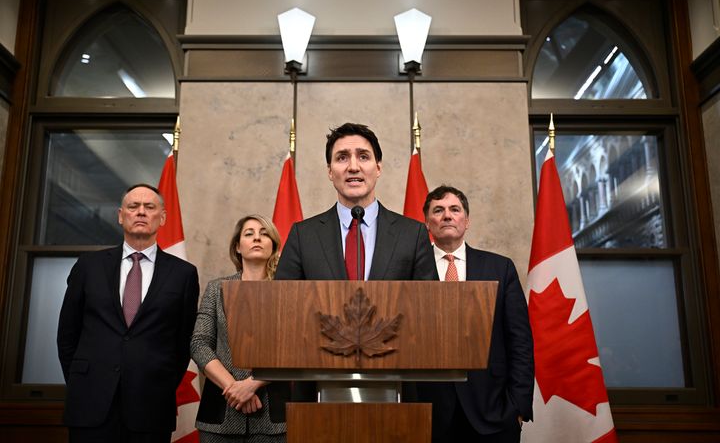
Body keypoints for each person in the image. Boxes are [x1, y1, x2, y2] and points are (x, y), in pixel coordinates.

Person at [57, 183, 200, 443]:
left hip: (151, 404)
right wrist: (84, 380)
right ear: (121, 215)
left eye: (149, 207)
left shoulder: (183, 274)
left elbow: (183, 342)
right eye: (133, 207)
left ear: (163, 217)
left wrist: (160, 380)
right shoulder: (89, 266)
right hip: (90, 401)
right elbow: (67, 334)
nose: (141, 212)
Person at [416, 185, 534, 443]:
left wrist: (518, 407)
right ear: (427, 223)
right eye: (438, 210)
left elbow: (520, 341)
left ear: (466, 221)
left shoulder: (500, 268)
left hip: (493, 412)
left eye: (454, 209)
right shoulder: (412, 269)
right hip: (428, 413)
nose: (447, 215)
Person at [275, 122, 437, 282]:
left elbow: (428, 302)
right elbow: (283, 301)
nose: (353, 167)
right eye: (342, 157)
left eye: (363, 157)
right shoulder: (303, 236)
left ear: (378, 168)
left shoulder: (412, 234)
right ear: (330, 171)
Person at [191, 214, 287, 443]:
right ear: (238, 246)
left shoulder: (287, 291)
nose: (257, 238)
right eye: (249, 234)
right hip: (220, 412)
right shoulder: (217, 289)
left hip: (273, 415)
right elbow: (199, 344)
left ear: (273, 245)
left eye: (264, 234)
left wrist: (253, 383)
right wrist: (234, 388)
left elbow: (293, 348)